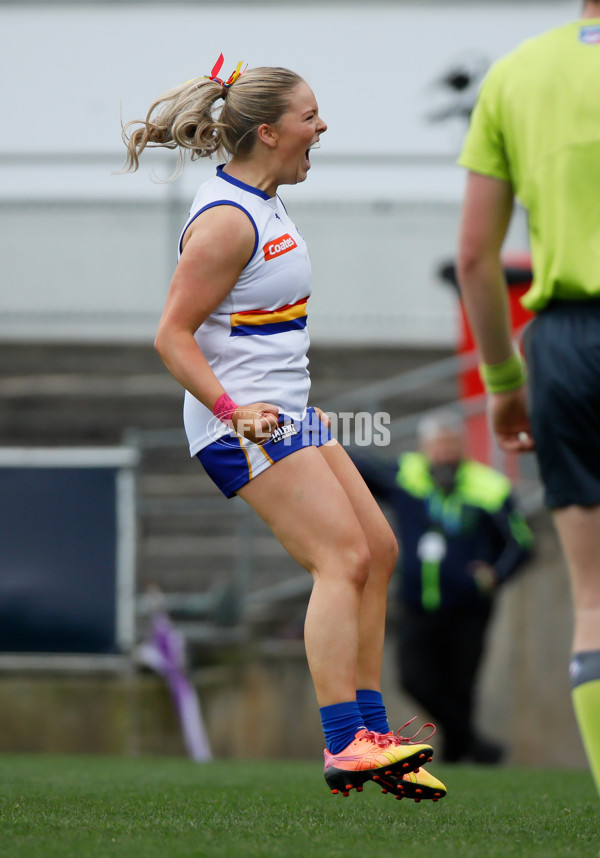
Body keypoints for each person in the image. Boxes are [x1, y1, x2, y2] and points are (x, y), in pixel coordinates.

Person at [121, 55, 442, 800]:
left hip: (288, 413)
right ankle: (347, 744)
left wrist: (299, 402)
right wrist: (237, 413)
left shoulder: (264, 199)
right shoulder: (230, 217)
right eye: (309, 116)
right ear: (267, 132)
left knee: (379, 551)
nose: (321, 127)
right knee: (341, 560)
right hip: (242, 424)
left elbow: (259, 330)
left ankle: (375, 736)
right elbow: (172, 335)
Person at [456, 1, 600, 797]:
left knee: (594, 598)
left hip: (566, 347)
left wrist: (505, 385)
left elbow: (476, 257)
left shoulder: (516, 73)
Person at [355, 411, 533, 763]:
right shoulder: (407, 477)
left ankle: (457, 757)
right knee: (413, 678)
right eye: (437, 446)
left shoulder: (489, 486)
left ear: (462, 447)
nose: (444, 453)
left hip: (469, 606)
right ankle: (477, 747)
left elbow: (520, 544)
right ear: (424, 448)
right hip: (417, 603)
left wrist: (493, 576)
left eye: (451, 444)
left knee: (463, 684)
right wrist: (322, 438)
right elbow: (362, 471)